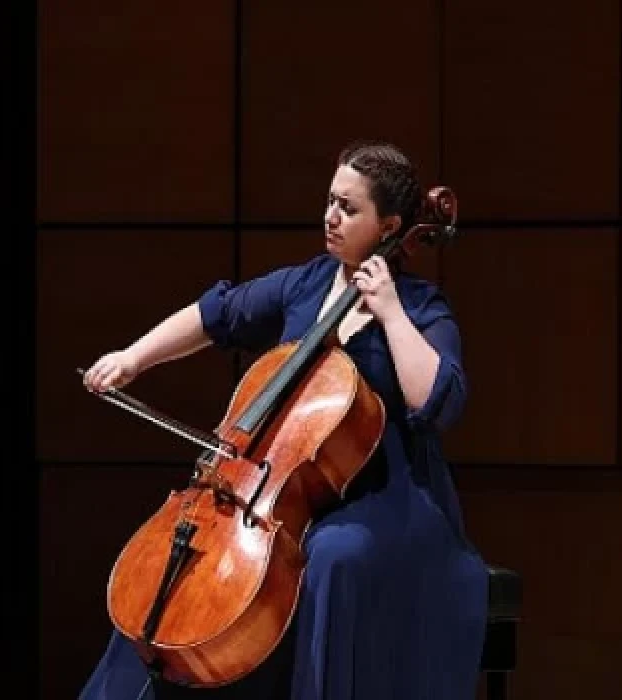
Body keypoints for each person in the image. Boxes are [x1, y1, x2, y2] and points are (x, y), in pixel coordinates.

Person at [77, 140, 488, 700]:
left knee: (333, 556)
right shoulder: (306, 282)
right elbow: (215, 313)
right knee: (174, 568)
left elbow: (438, 399)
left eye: (349, 208)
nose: (331, 216)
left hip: (383, 490)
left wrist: (390, 312)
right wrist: (133, 359)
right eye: (330, 201)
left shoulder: (419, 306)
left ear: (391, 227)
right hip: (281, 485)